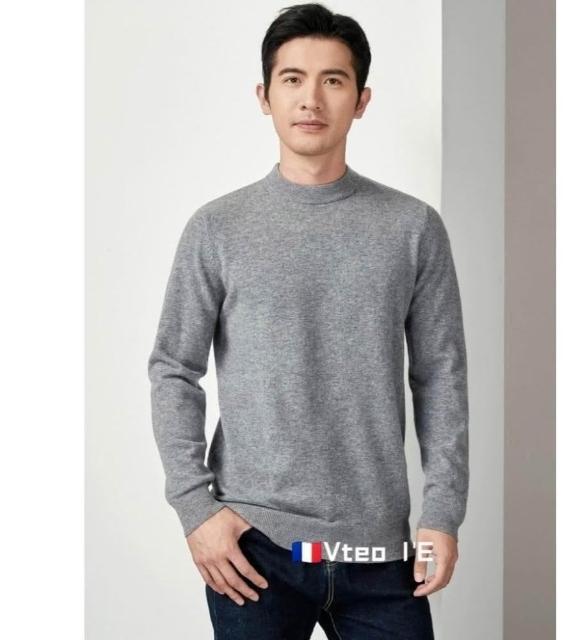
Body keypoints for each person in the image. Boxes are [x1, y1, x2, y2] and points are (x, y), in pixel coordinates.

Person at [147, 3, 469, 638]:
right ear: (264, 97)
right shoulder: (217, 228)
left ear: (362, 99)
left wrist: (443, 512)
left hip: (378, 549)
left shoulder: (412, 228)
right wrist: (195, 509)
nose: (311, 99)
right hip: (256, 546)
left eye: (333, 80)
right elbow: (173, 369)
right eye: (292, 79)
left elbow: (441, 376)